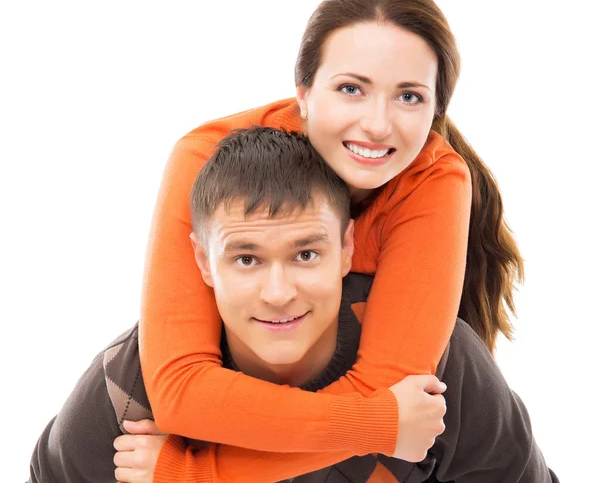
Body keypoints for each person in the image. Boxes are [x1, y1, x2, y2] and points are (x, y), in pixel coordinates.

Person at [138, 0, 524, 479]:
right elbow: (182, 392)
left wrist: (194, 475)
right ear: (303, 92)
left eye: (409, 97)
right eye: (350, 89)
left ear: (435, 111)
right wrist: (380, 423)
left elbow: (378, 394)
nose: (378, 124)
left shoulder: (436, 179)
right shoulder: (204, 160)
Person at [29, 127, 557, 482]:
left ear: (348, 248)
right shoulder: (127, 389)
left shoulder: (438, 368)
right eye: (246, 259)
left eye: (306, 253)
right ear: (202, 261)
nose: (278, 292)